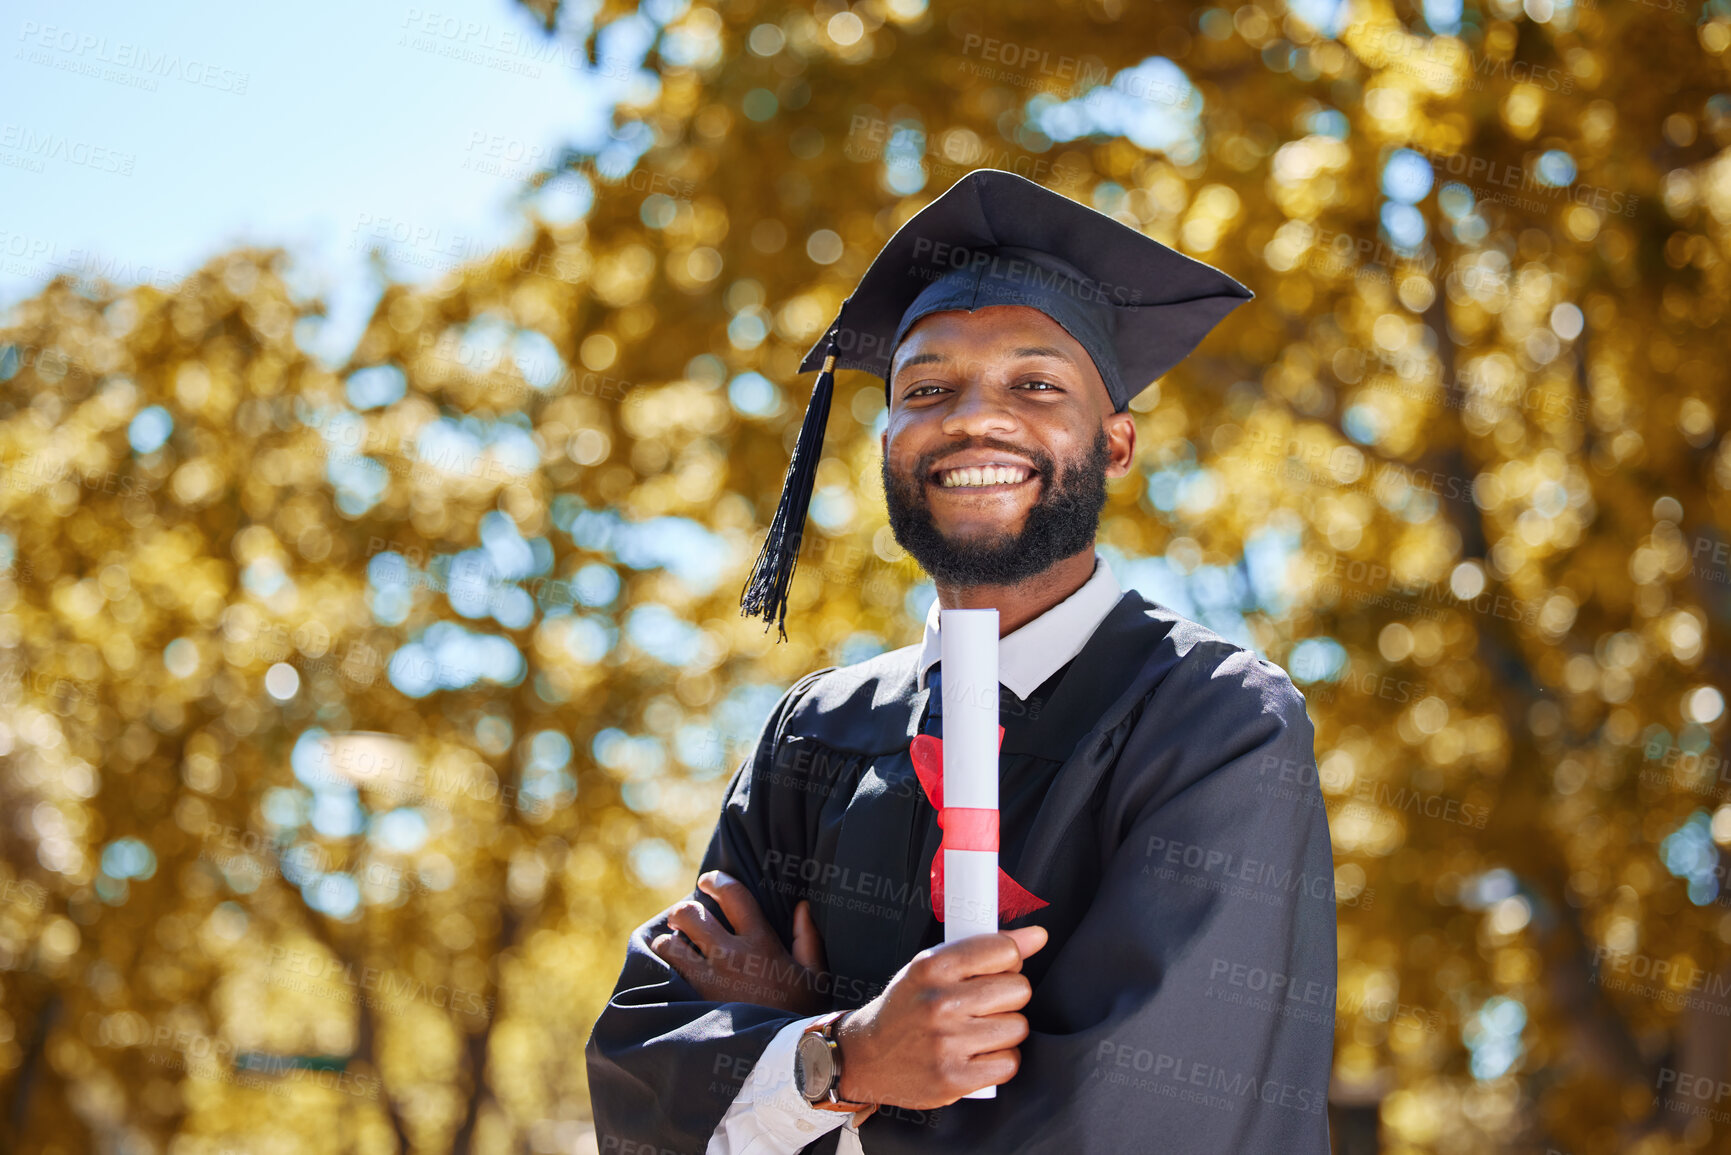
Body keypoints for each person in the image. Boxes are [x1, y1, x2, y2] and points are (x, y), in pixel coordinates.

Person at [586, 169, 1336, 1154]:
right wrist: (845, 1054)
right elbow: (645, 1088)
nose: (976, 417)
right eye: (927, 388)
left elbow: (1132, 1124)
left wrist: (818, 1060)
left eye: (1035, 385)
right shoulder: (819, 732)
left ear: (1114, 445)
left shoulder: (1217, 724)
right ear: (889, 442)